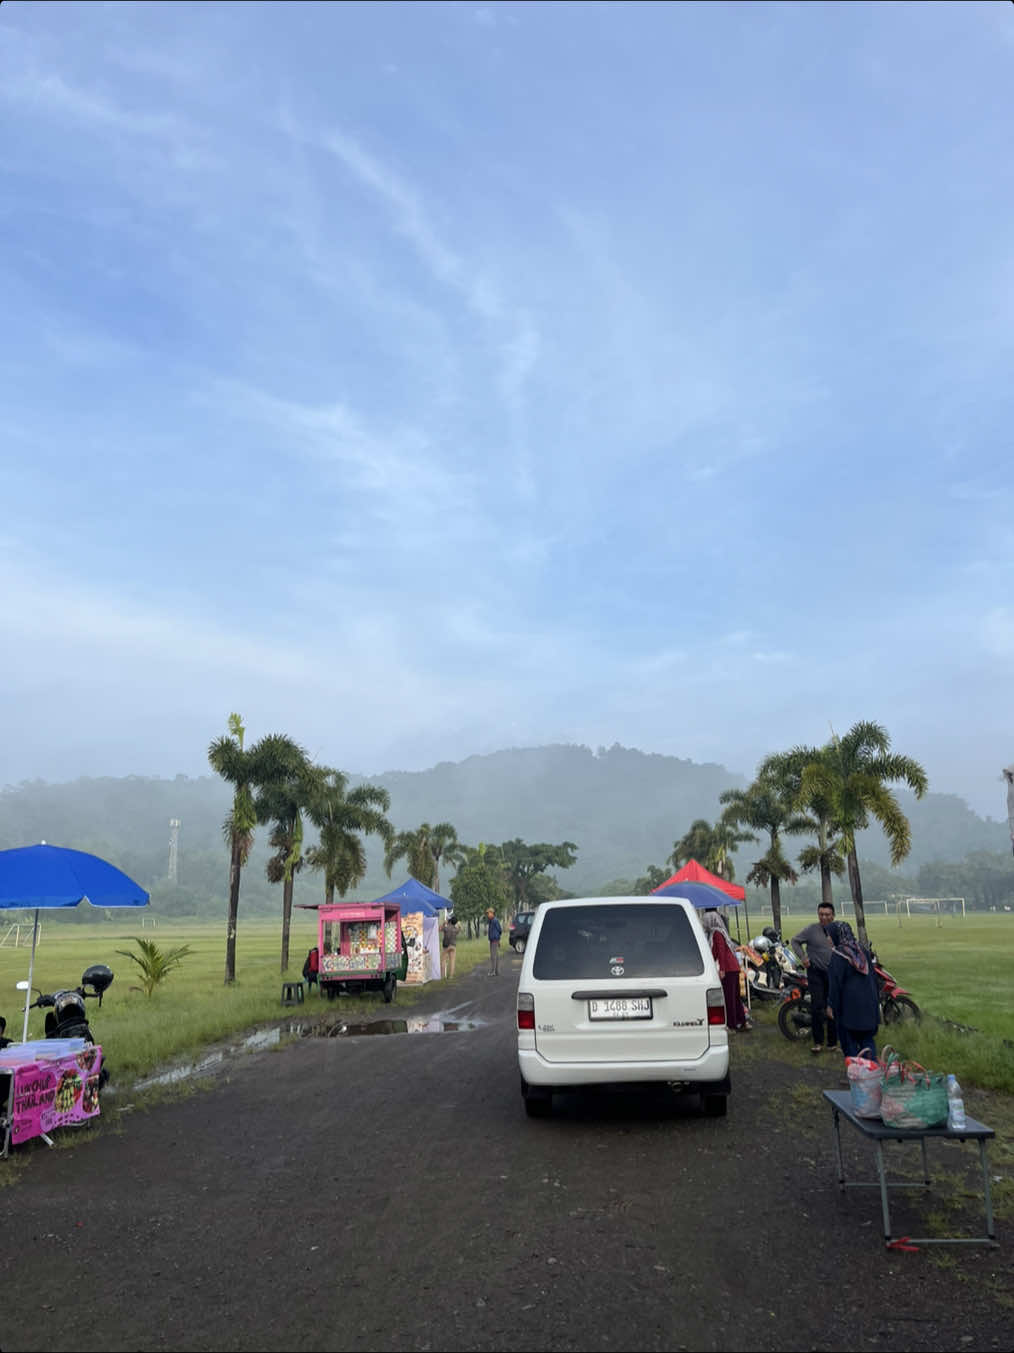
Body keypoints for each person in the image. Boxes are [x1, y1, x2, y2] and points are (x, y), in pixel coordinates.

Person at [826, 921, 880, 1060]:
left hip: (849, 1009)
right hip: (869, 1005)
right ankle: (871, 1076)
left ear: (836, 936)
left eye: (829, 936)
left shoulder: (838, 955)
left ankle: (857, 1078)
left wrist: (831, 1005)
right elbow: (874, 978)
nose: (828, 939)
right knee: (867, 1043)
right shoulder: (864, 952)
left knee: (849, 1045)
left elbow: (835, 985)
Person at [790, 902, 837, 1054]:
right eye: (821, 914)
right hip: (815, 973)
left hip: (834, 973)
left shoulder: (838, 930)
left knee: (833, 1006)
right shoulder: (811, 930)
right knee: (817, 1006)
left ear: (833, 916)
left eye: (827, 914)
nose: (824, 917)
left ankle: (832, 1042)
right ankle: (818, 1042)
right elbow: (795, 941)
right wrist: (803, 957)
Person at [701, 910, 749, 1032]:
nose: (704, 923)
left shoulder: (716, 934)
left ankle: (732, 1024)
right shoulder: (719, 932)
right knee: (735, 997)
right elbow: (717, 952)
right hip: (733, 967)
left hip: (728, 968)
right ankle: (742, 1022)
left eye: (705, 921)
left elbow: (720, 952)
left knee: (729, 998)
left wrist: (722, 969)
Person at [441, 913, 460, 980]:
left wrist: (444, 923)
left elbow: (440, 929)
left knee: (443, 960)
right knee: (452, 961)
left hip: (446, 946)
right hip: (453, 946)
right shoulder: (456, 929)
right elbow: (459, 929)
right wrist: (458, 925)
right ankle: (451, 976)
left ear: (448, 921)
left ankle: (443, 976)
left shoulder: (446, 928)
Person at [486, 908, 502, 976]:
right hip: (493, 940)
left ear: (492, 913)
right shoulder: (491, 921)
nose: (487, 915)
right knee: (496, 956)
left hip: (494, 940)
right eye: (487, 913)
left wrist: (497, 938)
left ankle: (493, 971)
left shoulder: (495, 921)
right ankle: (497, 971)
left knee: (493, 956)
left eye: (488, 913)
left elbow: (500, 930)